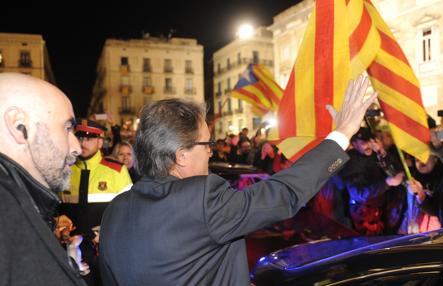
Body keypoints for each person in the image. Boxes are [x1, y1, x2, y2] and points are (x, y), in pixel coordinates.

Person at [99, 76, 377, 286]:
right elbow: (282, 193)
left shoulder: (115, 210)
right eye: (206, 143)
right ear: (181, 155)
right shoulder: (202, 199)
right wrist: (342, 133)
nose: (211, 150)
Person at [0, 73, 86, 285]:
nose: (77, 147)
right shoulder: (7, 216)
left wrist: (64, 266)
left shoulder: (16, 205)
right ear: (20, 127)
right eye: (67, 128)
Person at [59, 119, 132, 285]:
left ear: (100, 142)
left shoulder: (116, 170)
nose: (83, 142)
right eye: (80, 138)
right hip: (71, 250)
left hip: (104, 250)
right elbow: (58, 209)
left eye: (89, 138)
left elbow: (128, 212)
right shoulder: (65, 170)